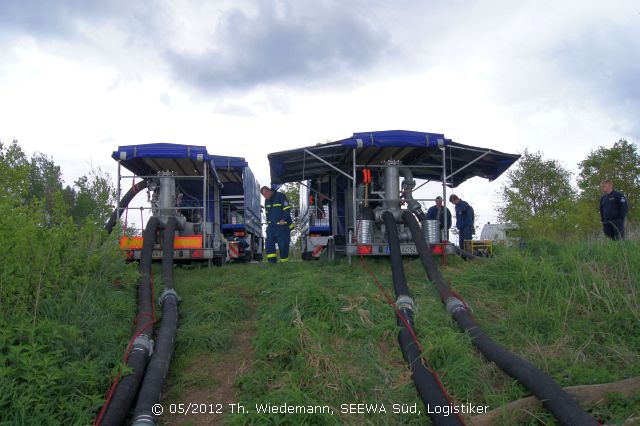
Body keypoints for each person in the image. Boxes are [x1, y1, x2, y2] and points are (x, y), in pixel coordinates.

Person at [261, 186, 294, 263]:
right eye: (263, 195)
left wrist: (283, 219)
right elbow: (268, 213)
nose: (265, 196)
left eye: (266, 194)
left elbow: (287, 209)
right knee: (269, 244)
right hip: (272, 227)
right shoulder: (267, 200)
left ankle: (284, 263)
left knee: (283, 245)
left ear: (269, 191)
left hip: (282, 226)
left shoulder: (280, 196)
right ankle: (272, 263)